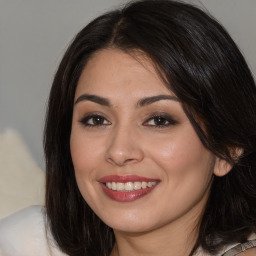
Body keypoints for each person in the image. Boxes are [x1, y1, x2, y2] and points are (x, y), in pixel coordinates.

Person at [1, 0, 256, 255]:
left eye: (158, 120)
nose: (119, 151)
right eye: (96, 119)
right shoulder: (25, 243)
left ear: (227, 148)